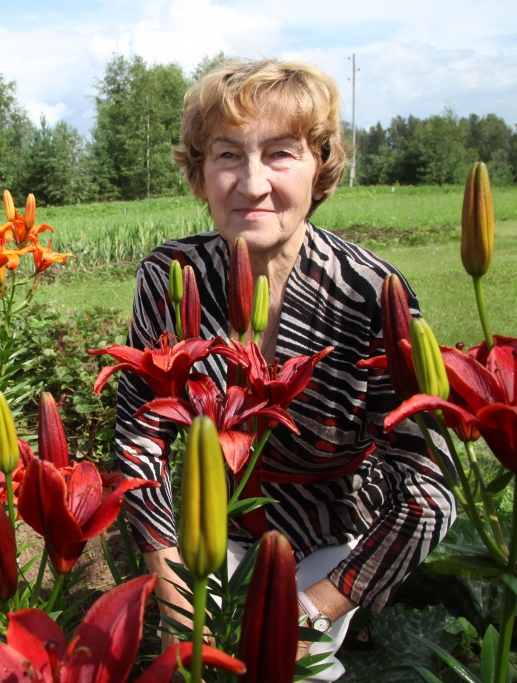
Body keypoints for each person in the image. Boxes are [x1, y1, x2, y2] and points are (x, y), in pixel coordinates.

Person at [114, 58, 455, 680]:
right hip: (205, 525)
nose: (251, 183)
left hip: (328, 537)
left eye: (279, 154)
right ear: (199, 173)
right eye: (226, 155)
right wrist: (166, 570)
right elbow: (139, 434)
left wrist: (319, 608)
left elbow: (430, 489)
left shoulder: (371, 293)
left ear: (319, 166)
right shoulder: (171, 276)